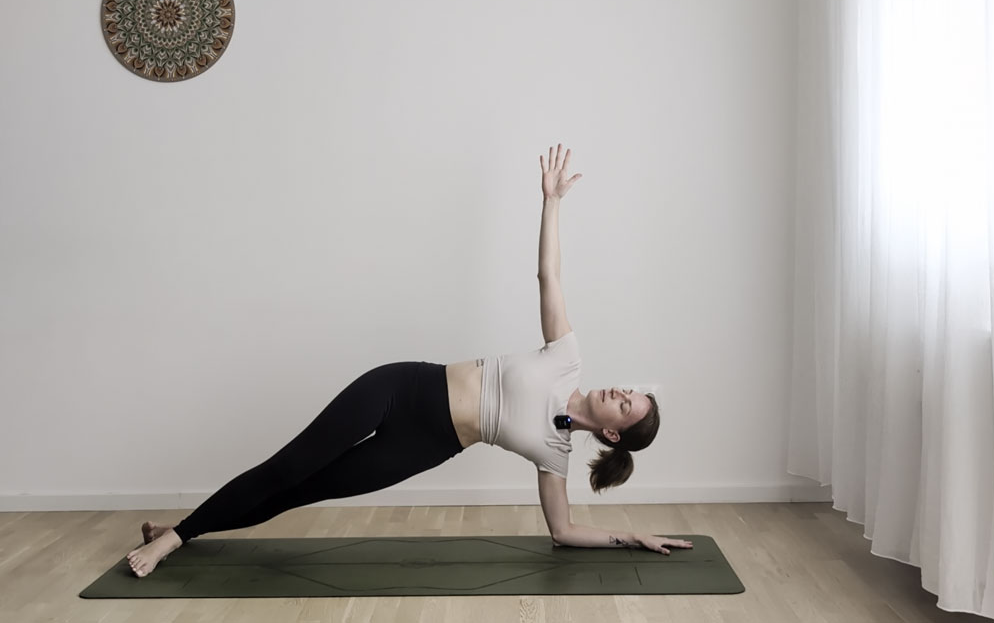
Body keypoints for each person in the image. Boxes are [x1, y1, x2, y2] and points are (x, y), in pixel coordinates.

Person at [126, 144, 692, 577]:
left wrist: (631, 537)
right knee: (288, 467)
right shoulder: (566, 358)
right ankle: (174, 539)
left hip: (425, 446)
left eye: (626, 406)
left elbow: (563, 532)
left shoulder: (556, 454)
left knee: (300, 492)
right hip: (404, 389)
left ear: (613, 435)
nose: (619, 393)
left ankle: (184, 527)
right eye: (627, 391)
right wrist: (552, 201)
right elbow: (550, 275)